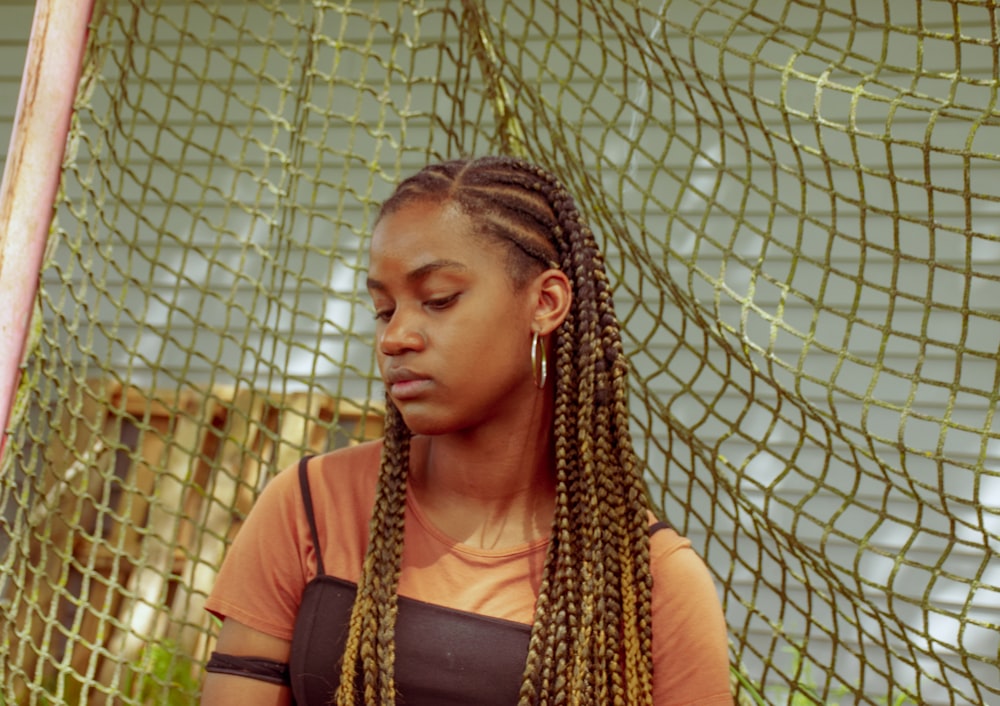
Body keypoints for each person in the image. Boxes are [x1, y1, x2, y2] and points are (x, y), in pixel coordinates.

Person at [200, 155, 733, 705]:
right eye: (384, 309)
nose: (395, 337)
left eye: (438, 300)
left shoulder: (646, 579)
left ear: (545, 303)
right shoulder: (312, 504)